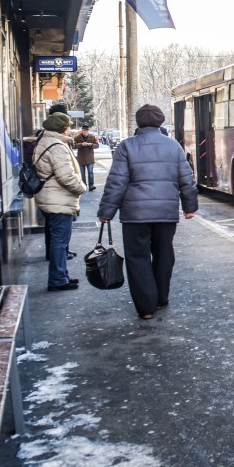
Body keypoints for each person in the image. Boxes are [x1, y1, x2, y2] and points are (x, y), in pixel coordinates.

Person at [98, 104, 199, 321]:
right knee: (164, 253)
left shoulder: (127, 147)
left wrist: (106, 211)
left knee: (137, 257)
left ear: (138, 122)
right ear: (161, 122)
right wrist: (189, 206)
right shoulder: (174, 147)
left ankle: (146, 307)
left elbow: (116, 183)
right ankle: (161, 297)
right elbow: (186, 180)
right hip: (165, 212)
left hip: (135, 215)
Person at [32, 112, 87, 290]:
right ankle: (57, 279)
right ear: (62, 128)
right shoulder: (56, 146)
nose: (70, 130)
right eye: (68, 127)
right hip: (58, 199)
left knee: (59, 240)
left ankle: (62, 275)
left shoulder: (47, 141)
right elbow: (66, 177)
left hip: (52, 197)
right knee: (60, 241)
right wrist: (82, 187)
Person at [73, 123, 100, 190]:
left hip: (90, 158)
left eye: (86, 130)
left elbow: (97, 146)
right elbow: (74, 146)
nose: (85, 131)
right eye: (84, 130)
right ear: (82, 130)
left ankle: (91, 185)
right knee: (82, 173)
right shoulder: (77, 138)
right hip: (81, 158)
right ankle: (84, 185)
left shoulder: (92, 137)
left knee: (90, 172)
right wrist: (81, 144)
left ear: (88, 131)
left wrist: (90, 144)